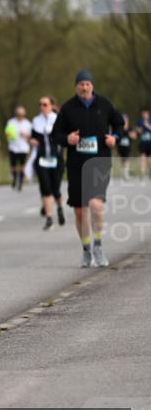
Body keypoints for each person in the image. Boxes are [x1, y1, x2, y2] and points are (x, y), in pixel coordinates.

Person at [52, 70, 124, 268]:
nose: (84, 87)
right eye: (81, 84)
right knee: (79, 212)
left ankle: (98, 246)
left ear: (92, 86)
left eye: (87, 84)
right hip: (76, 165)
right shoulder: (67, 108)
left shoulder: (105, 104)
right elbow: (55, 135)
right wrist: (68, 139)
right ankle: (86, 250)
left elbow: (119, 124)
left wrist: (114, 138)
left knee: (96, 205)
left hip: (99, 162)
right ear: (76, 86)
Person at [30, 96, 66, 231]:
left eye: (45, 104)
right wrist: (32, 141)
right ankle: (49, 218)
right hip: (42, 158)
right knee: (46, 188)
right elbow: (33, 136)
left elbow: (64, 137)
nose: (42, 107)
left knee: (56, 189)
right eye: (40, 104)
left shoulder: (58, 119)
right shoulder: (36, 121)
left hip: (56, 159)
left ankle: (60, 208)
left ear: (51, 106)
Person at [5, 105, 32, 191]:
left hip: (23, 148)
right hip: (13, 147)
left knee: (22, 166)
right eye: (18, 113)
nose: (20, 115)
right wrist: (9, 135)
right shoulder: (11, 122)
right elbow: (6, 133)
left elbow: (31, 137)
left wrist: (25, 135)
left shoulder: (28, 123)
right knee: (13, 166)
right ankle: (14, 179)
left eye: (21, 114)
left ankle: (20, 182)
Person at [137, 109, 151, 178]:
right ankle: (142, 173)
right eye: (143, 114)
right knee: (142, 157)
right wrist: (140, 129)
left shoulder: (150, 120)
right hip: (142, 142)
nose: (144, 115)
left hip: (149, 142)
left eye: (145, 114)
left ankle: (149, 172)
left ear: (148, 114)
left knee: (149, 159)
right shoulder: (140, 122)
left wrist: (147, 125)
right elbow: (138, 131)